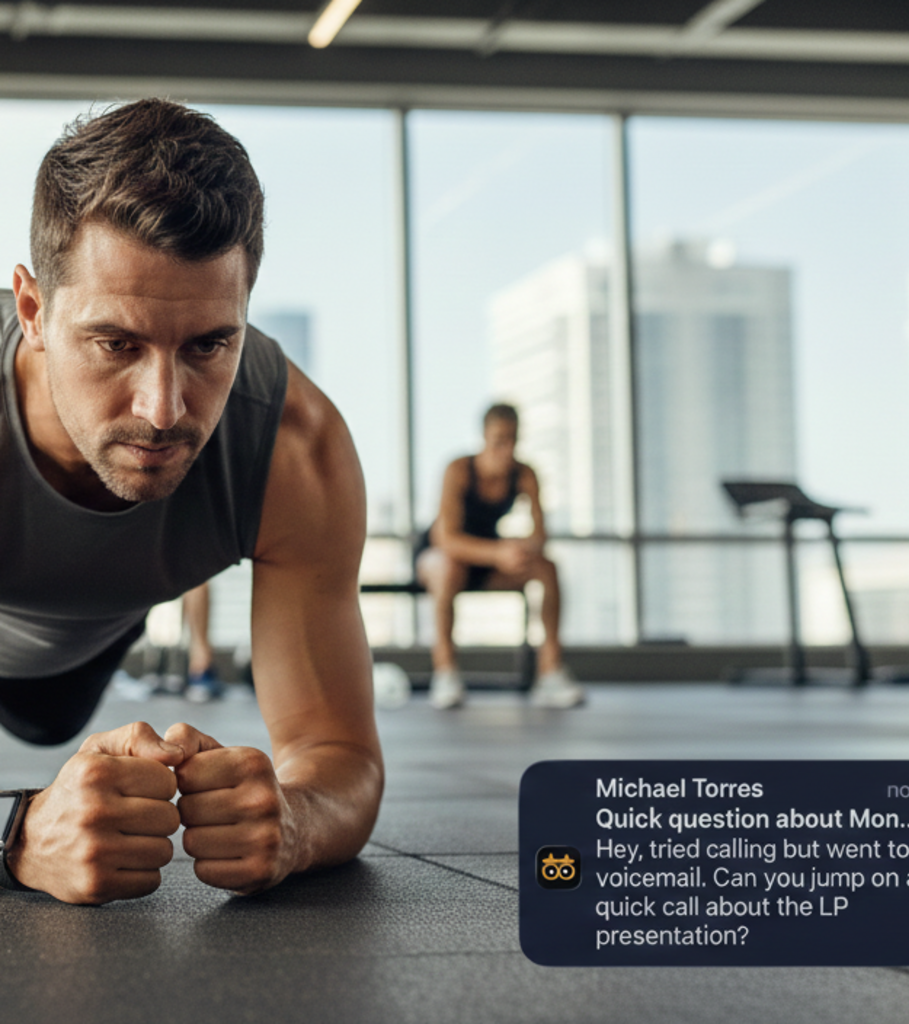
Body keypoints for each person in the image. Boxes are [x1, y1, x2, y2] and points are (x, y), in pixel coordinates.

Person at [0, 99, 383, 905]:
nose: (165, 410)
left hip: (86, 645)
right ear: (33, 312)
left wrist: (291, 819)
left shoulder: (293, 447)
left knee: (47, 719)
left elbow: (336, 753)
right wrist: (19, 834)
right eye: (116, 344)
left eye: (210, 344)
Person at [415, 403, 585, 710]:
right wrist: (497, 553)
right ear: (483, 437)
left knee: (547, 568)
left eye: (512, 440)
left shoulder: (524, 475)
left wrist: (521, 548)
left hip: (488, 555)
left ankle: (550, 673)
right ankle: (446, 674)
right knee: (448, 567)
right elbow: (447, 539)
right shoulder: (458, 470)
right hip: (439, 555)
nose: (506, 449)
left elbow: (540, 535)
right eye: (499, 440)